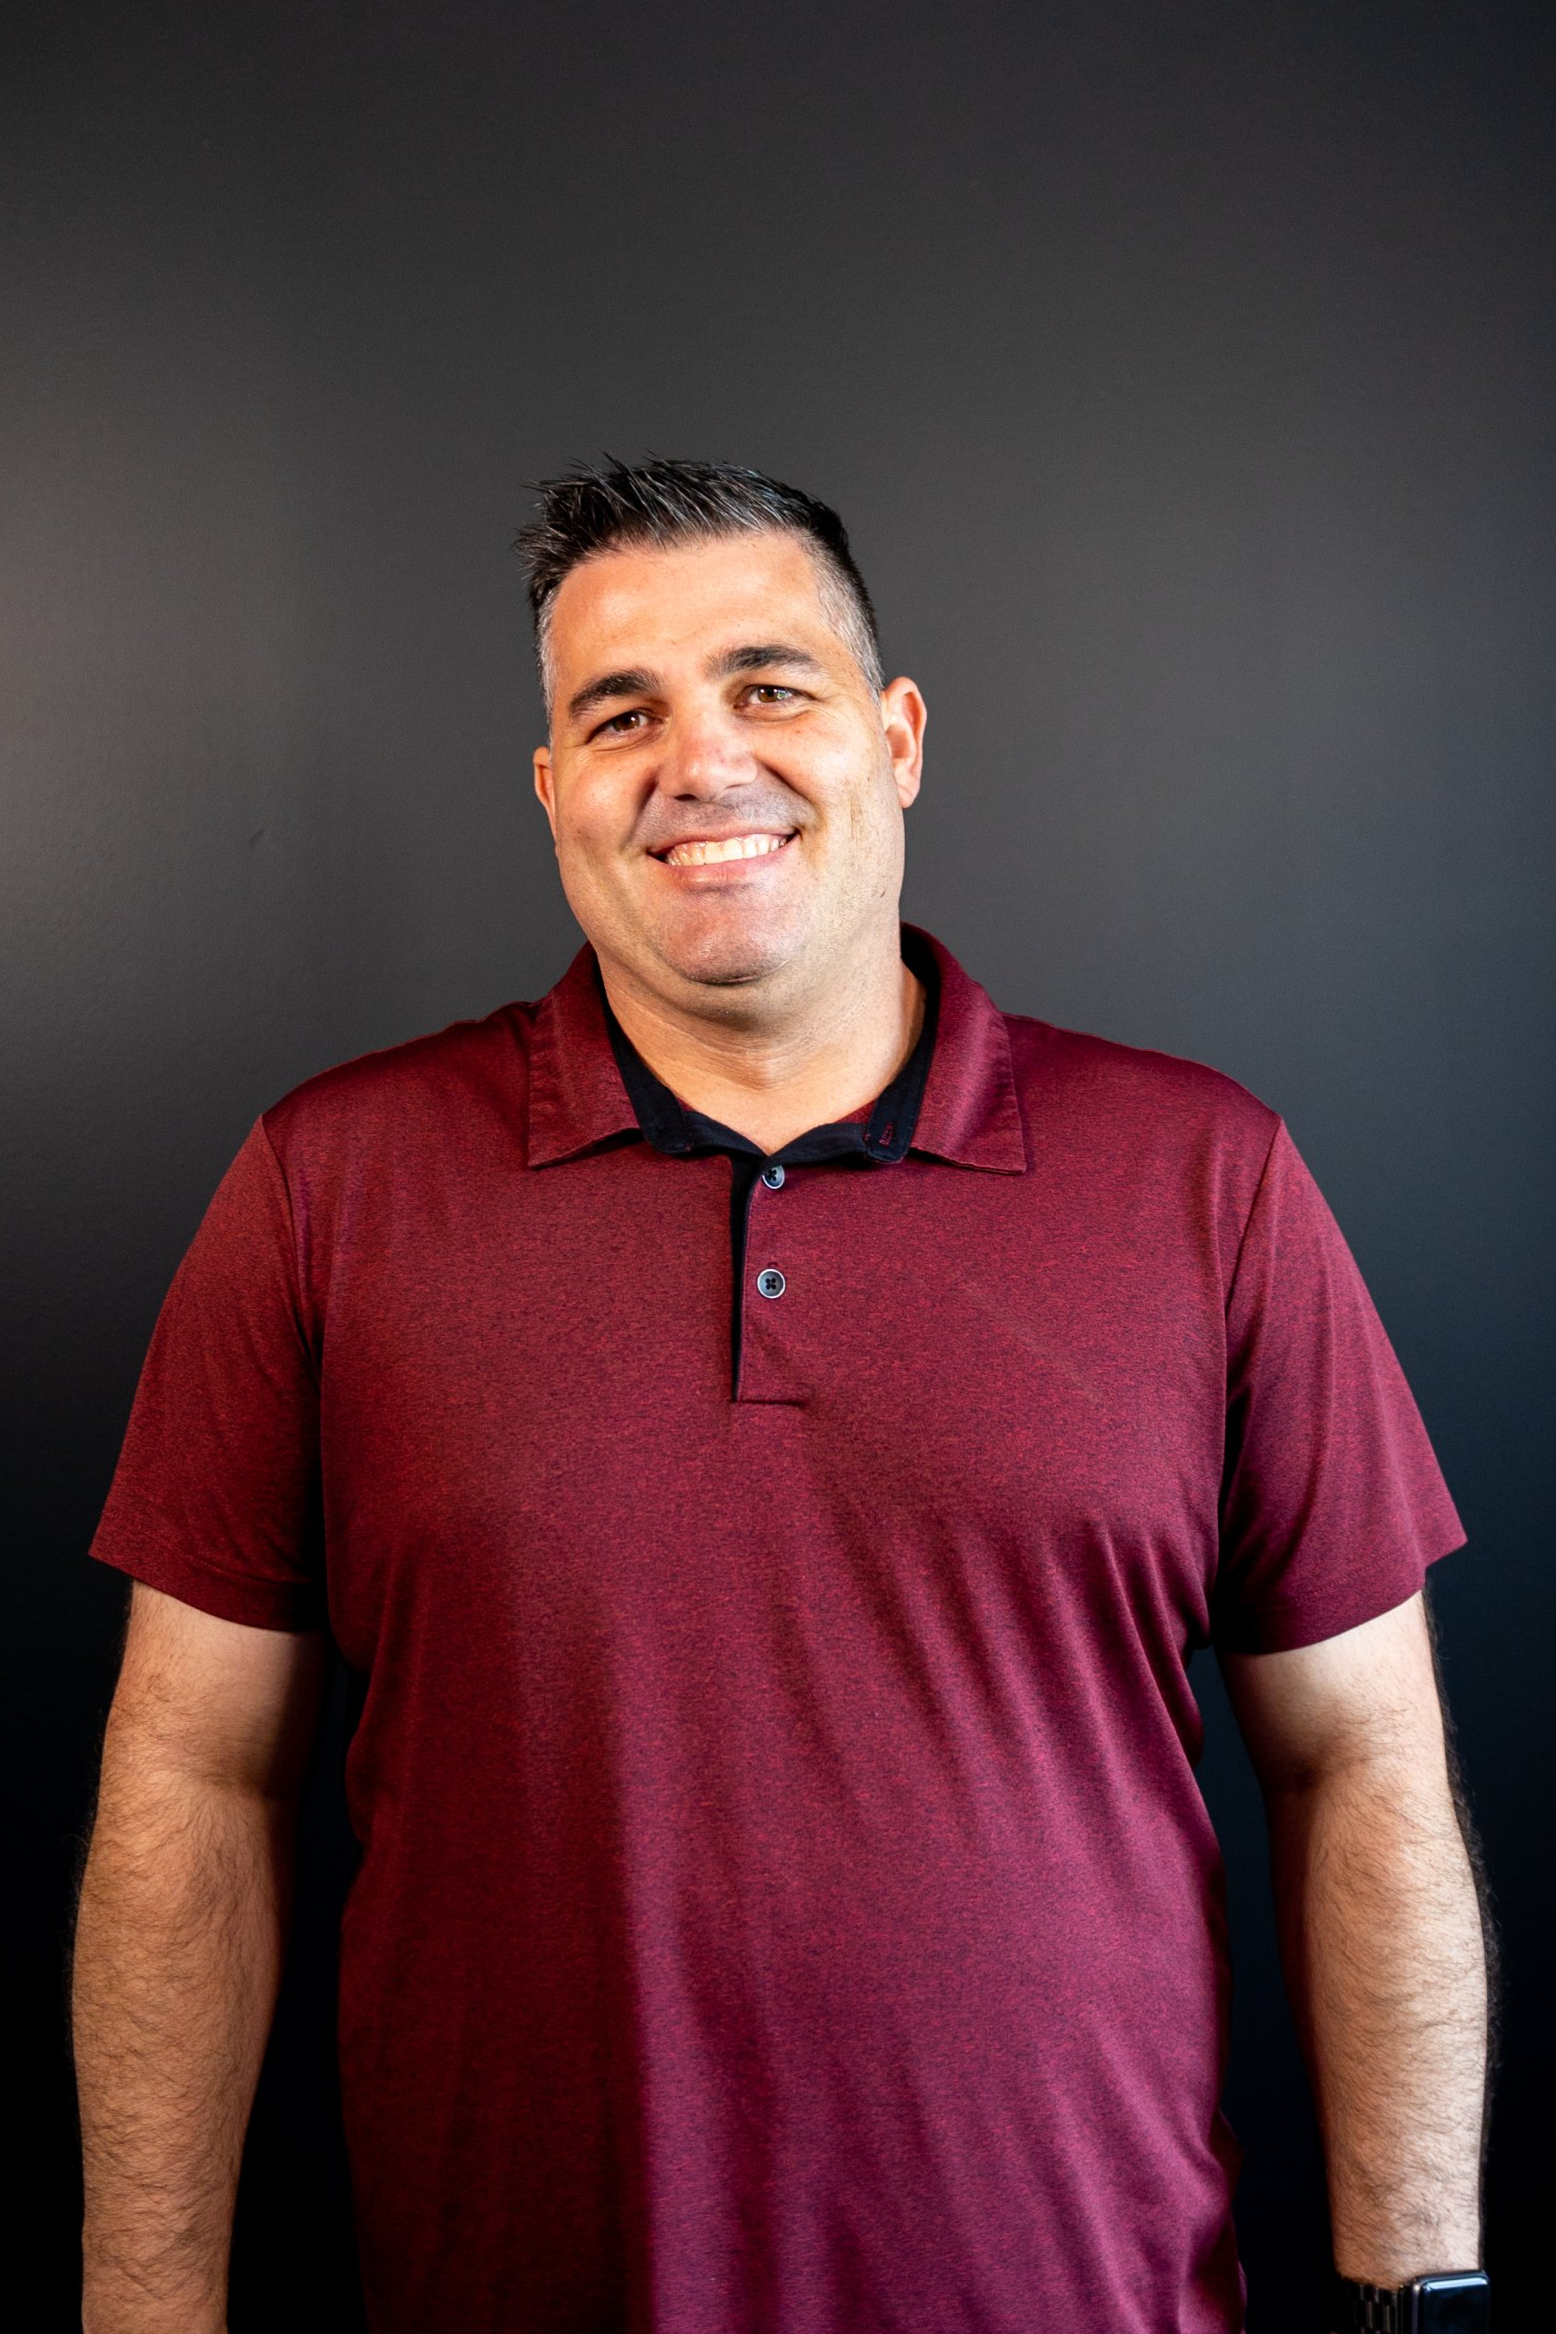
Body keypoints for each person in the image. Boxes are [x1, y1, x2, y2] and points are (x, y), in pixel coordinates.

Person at [74, 460, 1491, 2334]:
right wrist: (143, 2310)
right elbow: (191, 1777)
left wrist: (1419, 2303)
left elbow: (1366, 1764)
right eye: (619, 713)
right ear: (550, 791)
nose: (698, 762)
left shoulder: (1205, 1176)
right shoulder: (330, 1185)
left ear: (895, 738)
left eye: (769, 686)